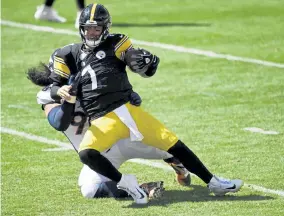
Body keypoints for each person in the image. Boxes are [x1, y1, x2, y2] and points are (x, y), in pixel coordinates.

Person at [48, 3, 243, 204]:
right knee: (87, 153)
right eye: (88, 28)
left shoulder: (116, 42)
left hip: (128, 111)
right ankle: (126, 182)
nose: (91, 32)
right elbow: (53, 86)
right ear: (81, 28)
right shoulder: (68, 53)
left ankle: (213, 182)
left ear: (105, 29)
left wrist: (145, 63)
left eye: (96, 28)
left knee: (174, 145)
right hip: (103, 120)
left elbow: (135, 62)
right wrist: (60, 91)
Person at [26, 62, 191, 199]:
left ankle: (177, 163)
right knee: (89, 190)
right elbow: (59, 123)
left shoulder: (94, 83)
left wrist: (130, 95)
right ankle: (143, 188)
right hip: (99, 155)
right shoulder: (49, 98)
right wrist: (70, 98)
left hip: (124, 139)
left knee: (167, 147)